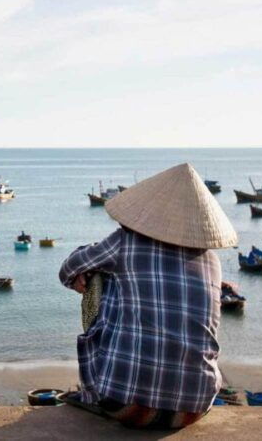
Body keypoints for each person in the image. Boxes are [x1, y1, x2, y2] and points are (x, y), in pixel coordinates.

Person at [58, 163, 238, 430]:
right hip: (196, 407)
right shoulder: (211, 260)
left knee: (102, 279)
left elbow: (67, 269)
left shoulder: (125, 242)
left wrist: (86, 274)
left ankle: (95, 389)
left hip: (123, 403)